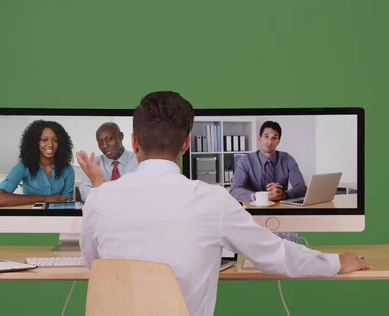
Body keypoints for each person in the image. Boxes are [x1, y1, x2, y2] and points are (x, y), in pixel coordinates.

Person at [76, 91, 369, 316]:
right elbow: (275, 254)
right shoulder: (212, 201)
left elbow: (97, 265)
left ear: (134, 141)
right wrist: (334, 262)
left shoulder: (100, 200)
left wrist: (102, 188)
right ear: (186, 144)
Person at [0, 120, 75, 207]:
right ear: (35, 142)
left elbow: (66, 205)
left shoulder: (68, 170)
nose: (50, 145)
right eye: (44, 140)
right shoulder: (24, 166)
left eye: (55, 140)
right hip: (30, 217)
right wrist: (45, 198)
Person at [229, 121, 307, 202]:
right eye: (266, 136)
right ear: (259, 138)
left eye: (274, 138)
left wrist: (284, 195)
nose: (270, 142)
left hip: (280, 209)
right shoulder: (245, 161)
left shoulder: (287, 159)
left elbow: (302, 188)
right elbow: (234, 190)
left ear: (278, 141)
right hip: (254, 209)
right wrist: (262, 197)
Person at [77, 122, 138, 202]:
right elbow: (85, 194)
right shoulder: (94, 163)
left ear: (121, 136)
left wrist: (100, 193)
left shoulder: (138, 161)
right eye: (100, 142)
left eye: (109, 139)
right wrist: (97, 183)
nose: (104, 145)